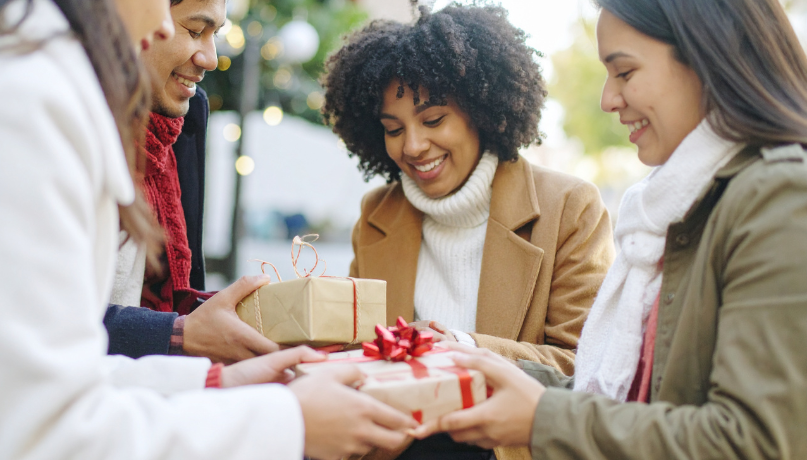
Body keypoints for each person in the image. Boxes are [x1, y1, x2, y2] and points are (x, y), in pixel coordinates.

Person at [0, 0, 416, 458]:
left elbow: (64, 371)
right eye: (189, 26)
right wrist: (287, 421)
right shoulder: (24, 101)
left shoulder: (49, 88)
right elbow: (45, 433)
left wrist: (213, 382)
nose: (162, 24)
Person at [412, 0, 807, 458]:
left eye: (624, 72)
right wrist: (478, 363)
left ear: (708, 57)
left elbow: (755, 442)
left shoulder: (779, 197)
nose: (608, 100)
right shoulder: (678, 208)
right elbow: (634, 396)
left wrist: (543, 418)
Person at [320, 3, 615, 458]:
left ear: (480, 110)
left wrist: (459, 347)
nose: (413, 146)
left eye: (433, 120)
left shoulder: (570, 207)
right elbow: (359, 350)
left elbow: (585, 367)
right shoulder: (377, 213)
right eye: (393, 129)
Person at [104, 0, 278, 364]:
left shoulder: (183, 119)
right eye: (195, 31)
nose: (211, 59)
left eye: (216, 34)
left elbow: (174, 294)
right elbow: (46, 320)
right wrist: (180, 333)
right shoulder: (60, 117)